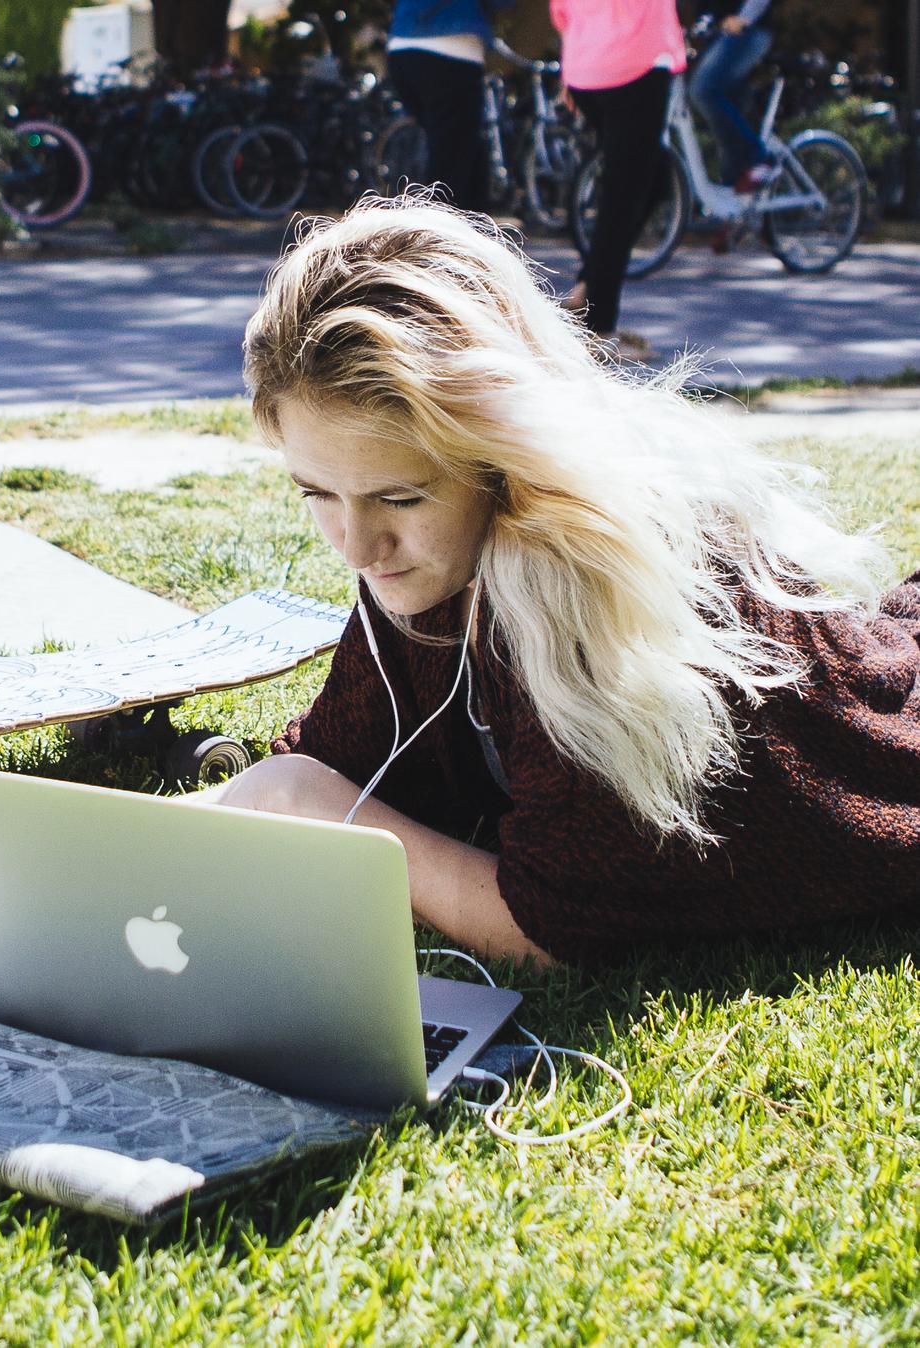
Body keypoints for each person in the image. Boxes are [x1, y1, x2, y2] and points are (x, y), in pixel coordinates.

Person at [207, 196, 920, 969]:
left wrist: (327, 812)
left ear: (504, 457)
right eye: (318, 494)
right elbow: (335, 759)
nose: (356, 545)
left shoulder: (583, 581)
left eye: (400, 497)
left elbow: (551, 927)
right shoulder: (426, 562)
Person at [550, 0, 686, 357]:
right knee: (623, 196)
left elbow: (562, 11)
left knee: (653, 179)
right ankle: (599, 330)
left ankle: (587, 286)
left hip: (588, 68)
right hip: (635, 63)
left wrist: (569, 69)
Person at [385, 0, 514, 214]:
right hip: (452, 49)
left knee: (461, 152)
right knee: (454, 159)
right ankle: (443, 234)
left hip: (402, 47)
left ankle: (468, 229)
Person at [689, 2, 775, 191]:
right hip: (719, 33)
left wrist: (746, 17)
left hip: (747, 30)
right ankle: (734, 194)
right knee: (728, 107)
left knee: (704, 89)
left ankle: (757, 158)